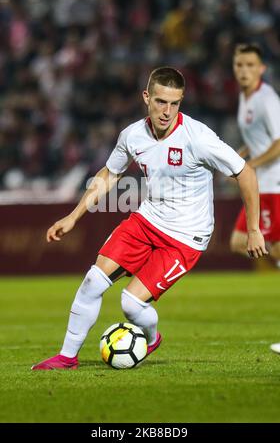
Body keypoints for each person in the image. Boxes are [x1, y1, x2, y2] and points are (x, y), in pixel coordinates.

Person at [32, 66, 267, 370]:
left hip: (186, 236)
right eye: (161, 102)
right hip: (147, 221)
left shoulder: (198, 138)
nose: (167, 111)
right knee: (92, 281)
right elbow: (110, 174)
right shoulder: (132, 135)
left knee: (130, 304)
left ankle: (151, 338)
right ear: (146, 97)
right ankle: (66, 358)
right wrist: (74, 216)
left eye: (175, 103)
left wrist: (253, 229)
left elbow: (245, 173)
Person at [229, 44, 280, 354]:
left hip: (273, 184)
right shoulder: (244, 98)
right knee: (240, 241)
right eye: (238, 65)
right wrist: (240, 155)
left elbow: (278, 143)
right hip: (260, 184)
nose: (243, 70)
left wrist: (249, 166)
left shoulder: (267, 99)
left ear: (261, 68)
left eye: (249, 64)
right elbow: (256, 141)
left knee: (258, 243)